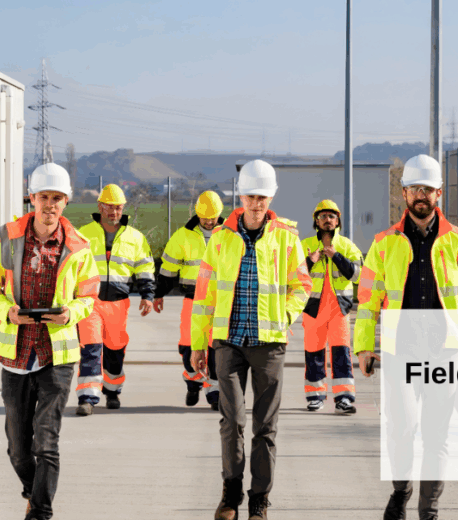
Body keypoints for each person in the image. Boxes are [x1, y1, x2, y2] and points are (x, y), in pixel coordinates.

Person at [354, 154, 458, 520]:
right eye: (415, 189)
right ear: (404, 193)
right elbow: (368, 302)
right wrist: (364, 346)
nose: (421, 195)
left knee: (436, 436)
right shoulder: (384, 243)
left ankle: (429, 509)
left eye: (428, 189)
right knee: (401, 430)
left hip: (446, 355)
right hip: (401, 353)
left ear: (439, 193)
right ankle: (402, 491)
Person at [0, 162, 100, 520]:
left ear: (66, 203)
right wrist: (8, 312)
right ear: (31, 198)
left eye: (57, 198)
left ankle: (41, 513)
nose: (50, 205)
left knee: (46, 442)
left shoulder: (79, 246)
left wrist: (70, 314)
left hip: (57, 355)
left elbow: (89, 295)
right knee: (18, 448)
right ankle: (34, 491)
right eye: (43, 197)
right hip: (15, 353)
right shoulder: (9, 237)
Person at [191, 159, 312, 520]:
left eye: (262, 197)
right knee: (231, 421)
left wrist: (284, 315)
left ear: (270, 197)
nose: (256, 203)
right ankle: (230, 496)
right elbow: (205, 295)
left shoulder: (287, 238)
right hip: (228, 342)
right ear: (239, 196)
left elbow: (303, 286)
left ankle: (259, 500)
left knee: (266, 426)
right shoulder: (222, 239)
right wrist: (199, 343)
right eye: (250, 196)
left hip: (269, 344)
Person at [74, 183, 156, 415]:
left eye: (118, 208)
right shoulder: (84, 234)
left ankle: (112, 391)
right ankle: (88, 398)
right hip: (89, 302)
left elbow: (145, 268)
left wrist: (147, 295)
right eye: (109, 207)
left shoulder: (135, 237)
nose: (114, 212)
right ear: (100, 206)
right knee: (90, 347)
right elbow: (71, 267)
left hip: (119, 303)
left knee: (115, 348)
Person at [154, 190, 225, 410]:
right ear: (198, 214)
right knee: (188, 345)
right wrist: (158, 294)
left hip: (220, 301)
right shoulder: (183, 236)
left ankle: (214, 393)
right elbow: (168, 270)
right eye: (205, 217)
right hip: (192, 300)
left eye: (213, 217)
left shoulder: (229, 233)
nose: (209, 221)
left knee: (217, 348)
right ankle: (193, 383)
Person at [300, 199, 363, 414]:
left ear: (338, 222)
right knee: (314, 353)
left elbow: (357, 275)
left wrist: (336, 256)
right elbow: (292, 276)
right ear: (316, 221)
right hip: (313, 309)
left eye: (332, 216)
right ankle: (315, 397)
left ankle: (343, 398)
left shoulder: (346, 245)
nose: (328, 220)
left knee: (341, 354)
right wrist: (309, 261)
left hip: (339, 310)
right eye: (323, 216)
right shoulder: (305, 245)